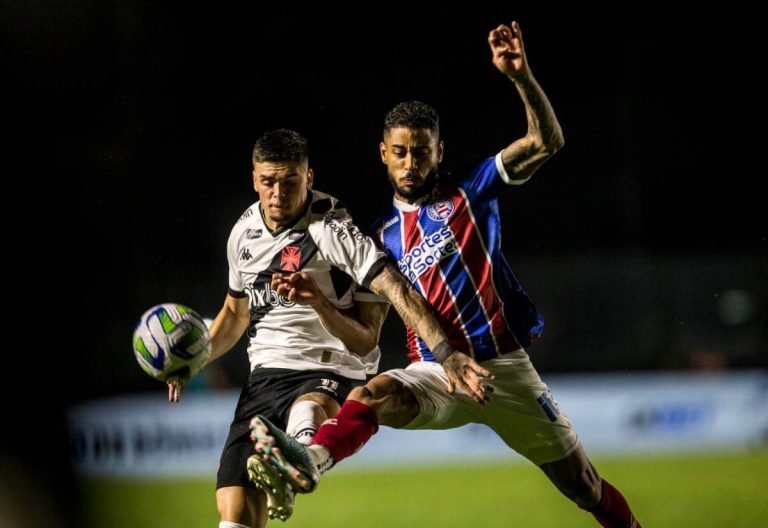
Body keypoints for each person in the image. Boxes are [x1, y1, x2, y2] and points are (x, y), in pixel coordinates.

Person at [249, 21, 641, 528]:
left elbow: (547, 141)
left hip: (502, 369)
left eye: (421, 150)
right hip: (435, 372)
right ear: (383, 154)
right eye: (400, 152)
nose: (410, 162)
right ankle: (312, 459)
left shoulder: (471, 192)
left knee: (584, 486)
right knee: (370, 395)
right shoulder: (377, 238)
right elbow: (368, 332)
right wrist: (319, 303)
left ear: (438, 151)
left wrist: (520, 77)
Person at [168, 128, 488, 528]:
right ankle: (289, 468)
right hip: (264, 378)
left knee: (309, 407)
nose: (278, 194)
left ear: (309, 177)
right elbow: (234, 315)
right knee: (235, 514)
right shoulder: (243, 234)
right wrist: (193, 359)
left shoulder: (333, 230)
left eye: (290, 181)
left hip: (327, 367)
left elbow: (372, 329)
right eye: (268, 182)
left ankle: (298, 460)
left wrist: (319, 303)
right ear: (254, 180)